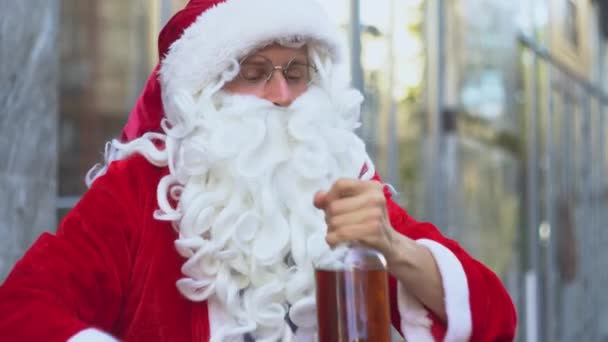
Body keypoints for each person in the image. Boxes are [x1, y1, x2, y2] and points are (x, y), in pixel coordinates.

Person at [0, 0, 517, 341]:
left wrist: (396, 248)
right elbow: (21, 310)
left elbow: (496, 319)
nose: (283, 95)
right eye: (253, 74)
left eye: (296, 72)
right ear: (203, 93)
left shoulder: (341, 175)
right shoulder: (142, 189)